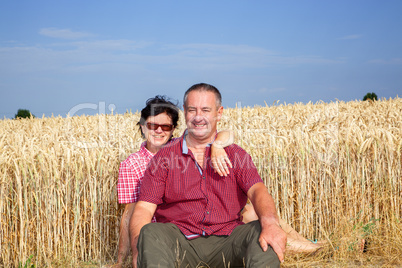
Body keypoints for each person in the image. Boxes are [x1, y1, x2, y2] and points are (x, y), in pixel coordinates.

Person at [130, 83, 287, 268]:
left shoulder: (236, 154)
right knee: (150, 232)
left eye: (205, 110)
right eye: (192, 110)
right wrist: (138, 250)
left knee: (262, 229)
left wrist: (270, 223)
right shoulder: (164, 157)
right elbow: (144, 209)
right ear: (185, 112)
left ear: (219, 113)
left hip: (229, 241)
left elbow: (257, 190)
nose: (198, 117)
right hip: (180, 244)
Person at [115, 95, 233, 267]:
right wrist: (122, 259)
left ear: (173, 130)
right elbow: (129, 214)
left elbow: (227, 133)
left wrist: (218, 145)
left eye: (166, 126)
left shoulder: (187, 149)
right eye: (152, 125)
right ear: (142, 126)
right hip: (159, 239)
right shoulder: (131, 164)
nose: (159, 131)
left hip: (190, 232)